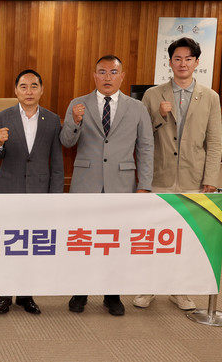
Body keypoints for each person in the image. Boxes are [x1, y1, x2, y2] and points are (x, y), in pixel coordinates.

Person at [60, 55, 153, 316]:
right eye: (102, 72)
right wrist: (75, 122)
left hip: (122, 185)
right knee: (84, 241)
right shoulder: (78, 104)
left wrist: (144, 185)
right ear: (94, 76)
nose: (107, 77)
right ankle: (80, 292)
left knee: (116, 242)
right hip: (85, 184)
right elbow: (66, 142)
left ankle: (112, 295)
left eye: (113, 72)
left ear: (122, 76)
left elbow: (146, 147)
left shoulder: (137, 108)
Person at [134, 37, 222, 311]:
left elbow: (214, 141)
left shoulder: (210, 97)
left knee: (185, 236)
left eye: (188, 59)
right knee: (154, 234)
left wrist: (211, 178)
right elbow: (142, 137)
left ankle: (179, 289)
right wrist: (160, 116)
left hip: (193, 177)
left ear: (197, 62)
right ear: (170, 62)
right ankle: (148, 287)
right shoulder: (153, 95)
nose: (183, 63)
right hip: (159, 175)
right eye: (177, 59)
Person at [0, 69, 64, 316]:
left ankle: (26, 295)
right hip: (9, 190)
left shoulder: (52, 120)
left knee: (31, 246)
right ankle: (4, 295)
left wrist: (55, 198)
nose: (29, 91)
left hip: (39, 192)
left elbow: (57, 162)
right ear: (16, 91)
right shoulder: (3, 116)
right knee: (8, 244)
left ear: (42, 90)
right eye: (23, 86)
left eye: (34, 86)